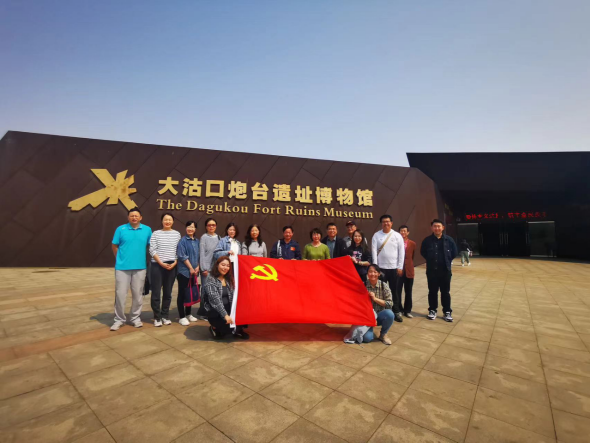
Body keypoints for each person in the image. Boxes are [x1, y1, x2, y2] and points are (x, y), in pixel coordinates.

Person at [110, 208, 152, 331]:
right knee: (120, 294)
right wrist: (119, 258)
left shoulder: (147, 230)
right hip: (122, 268)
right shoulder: (121, 229)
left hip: (140, 267)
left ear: (141, 217)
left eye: (136, 216)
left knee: (138, 294)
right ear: (128, 217)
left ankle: (135, 318)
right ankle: (119, 319)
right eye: (132, 216)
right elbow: (114, 245)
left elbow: (151, 246)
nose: (134, 218)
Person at [421, 219, 458, 322]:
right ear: (431, 228)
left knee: (445, 292)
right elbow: (423, 252)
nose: (437, 228)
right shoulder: (427, 240)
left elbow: (454, 252)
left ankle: (447, 311)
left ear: (443, 228)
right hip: (432, 271)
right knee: (432, 291)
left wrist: (447, 260)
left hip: (445, 271)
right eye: (435, 226)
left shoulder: (449, 240)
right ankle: (432, 310)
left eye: (439, 226)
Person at [203, 256, 249, 340]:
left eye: (228, 266)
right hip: (215, 309)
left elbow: (234, 295)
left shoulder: (228, 278)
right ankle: (214, 328)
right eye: (223, 265)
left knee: (243, 310)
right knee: (224, 332)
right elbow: (215, 300)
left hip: (229, 306)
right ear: (217, 265)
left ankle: (238, 330)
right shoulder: (210, 279)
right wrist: (225, 315)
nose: (225, 268)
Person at [371, 215, 405, 323]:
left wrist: (400, 266)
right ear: (381, 223)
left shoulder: (397, 235)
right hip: (381, 269)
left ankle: (396, 311)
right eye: (383, 222)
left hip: (394, 268)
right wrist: (376, 268)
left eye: (388, 221)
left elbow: (401, 252)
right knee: (381, 291)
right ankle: (382, 311)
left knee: (395, 291)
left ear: (391, 223)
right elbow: (374, 252)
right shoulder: (376, 235)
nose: (386, 223)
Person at [149, 213, 181, 327]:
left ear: (173, 221)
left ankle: (165, 316)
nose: (167, 222)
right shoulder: (156, 233)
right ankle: (157, 317)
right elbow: (152, 250)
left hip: (171, 266)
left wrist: (175, 262)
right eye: (165, 220)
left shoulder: (177, 234)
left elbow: (178, 250)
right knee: (156, 292)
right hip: (157, 266)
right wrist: (161, 263)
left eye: (170, 220)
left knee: (168, 292)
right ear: (162, 221)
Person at [363, 264, 395, 345]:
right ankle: (368, 328)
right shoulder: (363, 286)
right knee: (367, 339)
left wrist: (375, 299)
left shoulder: (384, 286)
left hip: (379, 315)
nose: (372, 274)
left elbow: (390, 304)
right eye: (370, 272)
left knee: (389, 314)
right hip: (367, 317)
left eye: (375, 272)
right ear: (367, 273)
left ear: (379, 274)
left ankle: (383, 334)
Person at [176, 221, 200, 326]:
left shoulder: (197, 241)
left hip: (194, 272)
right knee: (182, 293)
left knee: (190, 292)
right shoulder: (182, 241)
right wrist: (190, 268)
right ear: (186, 228)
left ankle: (188, 313)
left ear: (195, 229)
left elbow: (199, 255)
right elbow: (182, 256)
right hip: (184, 272)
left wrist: (198, 266)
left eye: (192, 227)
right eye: (188, 227)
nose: (190, 229)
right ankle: (182, 317)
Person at [397, 225, 416, 318]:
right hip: (398, 271)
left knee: (408, 291)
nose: (403, 232)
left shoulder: (412, 243)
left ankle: (407, 310)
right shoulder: (396, 242)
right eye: (401, 231)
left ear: (408, 232)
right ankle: (399, 309)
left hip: (409, 271)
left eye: (404, 231)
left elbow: (412, 256)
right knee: (398, 291)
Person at [199, 218, 221, 283]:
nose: (211, 227)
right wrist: (203, 269)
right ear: (206, 227)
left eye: (213, 225)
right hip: (206, 269)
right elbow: (202, 253)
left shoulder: (219, 238)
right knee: (206, 287)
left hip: (216, 269)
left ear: (216, 226)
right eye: (209, 225)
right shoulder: (204, 237)